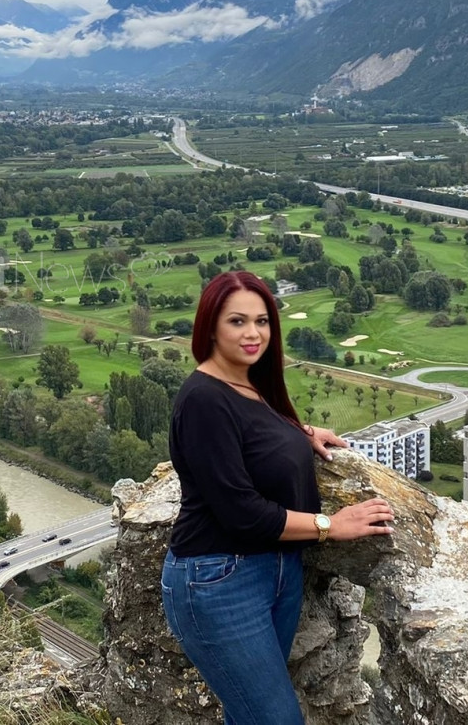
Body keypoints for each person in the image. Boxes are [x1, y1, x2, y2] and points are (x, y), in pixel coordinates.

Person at [161, 271, 394, 725]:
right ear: (210, 327)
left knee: (248, 715)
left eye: (262, 321)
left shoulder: (248, 382)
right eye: (237, 321)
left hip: (276, 570)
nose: (253, 333)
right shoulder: (203, 399)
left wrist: (296, 434)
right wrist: (331, 525)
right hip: (218, 581)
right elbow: (242, 513)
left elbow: (249, 434)